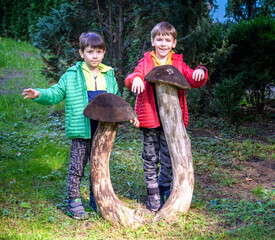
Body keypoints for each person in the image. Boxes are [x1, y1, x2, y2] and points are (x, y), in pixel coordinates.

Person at [23, 32, 139, 220]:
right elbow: (56, 92)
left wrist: (131, 115)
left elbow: (117, 100)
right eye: (90, 51)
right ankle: (74, 202)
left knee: (99, 166)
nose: (95, 55)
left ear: (104, 53)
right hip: (81, 129)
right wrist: (39, 94)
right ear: (81, 53)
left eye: (99, 51)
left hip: (103, 131)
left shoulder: (108, 74)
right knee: (77, 167)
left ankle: (97, 199)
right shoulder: (72, 75)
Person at [125, 22, 208, 212]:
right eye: (159, 39)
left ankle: (164, 189)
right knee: (150, 157)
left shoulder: (177, 63)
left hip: (171, 122)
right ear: (152, 41)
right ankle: (153, 194)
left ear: (174, 43)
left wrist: (200, 72)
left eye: (167, 40)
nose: (163, 43)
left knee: (169, 156)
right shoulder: (146, 61)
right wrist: (136, 79)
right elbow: (133, 77)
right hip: (150, 118)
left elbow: (193, 78)